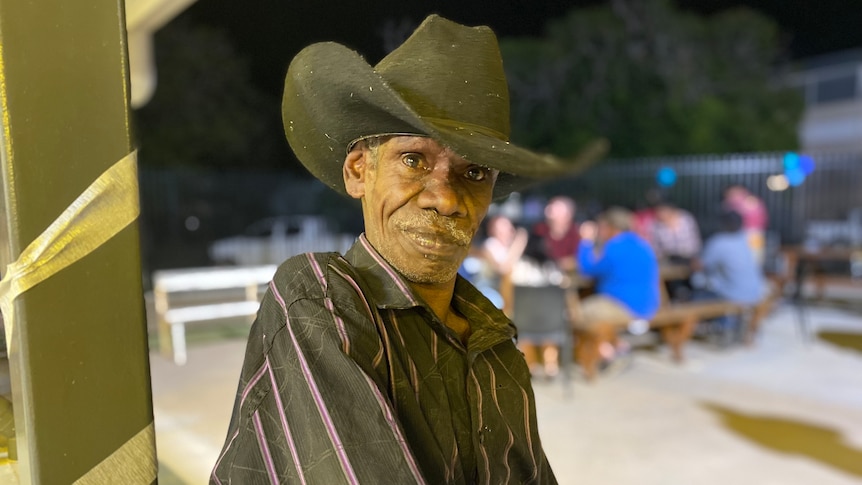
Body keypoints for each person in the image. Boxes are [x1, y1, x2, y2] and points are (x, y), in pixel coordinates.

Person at [212, 15, 605, 484]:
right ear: (359, 171)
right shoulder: (317, 300)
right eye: (414, 160)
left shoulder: (497, 351)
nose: (444, 197)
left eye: (475, 173)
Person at [574, 207, 660, 361]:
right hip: (649, 306)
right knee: (598, 310)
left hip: (626, 307)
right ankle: (619, 345)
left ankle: (606, 352)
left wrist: (586, 242)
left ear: (610, 227)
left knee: (578, 312)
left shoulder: (614, 247)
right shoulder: (643, 244)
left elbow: (587, 270)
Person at [691, 210, 768, 342]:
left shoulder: (719, 242)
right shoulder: (746, 238)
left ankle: (720, 325)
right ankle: (732, 326)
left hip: (733, 294)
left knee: (696, 292)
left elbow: (699, 266)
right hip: (757, 291)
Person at [479, 214, 528, 315]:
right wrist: (519, 243)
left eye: (507, 225)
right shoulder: (490, 244)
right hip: (492, 290)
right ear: (492, 230)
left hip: (518, 292)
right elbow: (503, 269)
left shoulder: (510, 245)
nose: (506, 229)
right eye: (501, 226)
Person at [722, 184, 768, 265]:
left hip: (752, 234)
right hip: (751, 234)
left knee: (752, 260)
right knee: (753, 260)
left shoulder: (745, 201)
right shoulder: (750, 200)